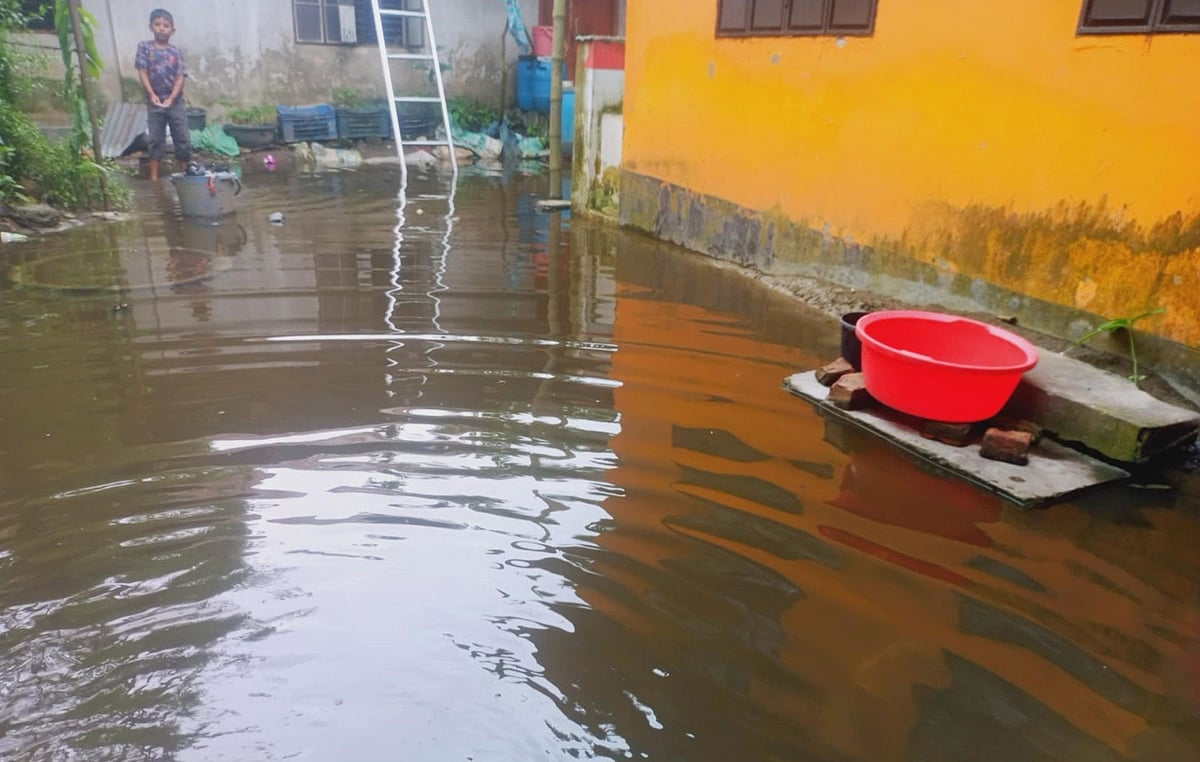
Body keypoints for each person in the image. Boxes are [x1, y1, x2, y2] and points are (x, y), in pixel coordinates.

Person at [135, 8, 191, 182]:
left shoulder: (176, 52)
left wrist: (171, 98)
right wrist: (152, 94)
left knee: (182, 138)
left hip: (176, 102)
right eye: (157, 24)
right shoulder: (145, 47)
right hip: (155, 102)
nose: (161, 28)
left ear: (172, 30)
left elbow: (181, 77)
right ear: (151, 27)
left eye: (165, 25)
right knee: (155, 139)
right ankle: (154, 178)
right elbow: (142, 71)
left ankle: (185, 176)